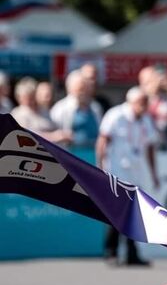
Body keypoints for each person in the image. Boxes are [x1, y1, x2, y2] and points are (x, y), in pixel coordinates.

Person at [96, 86, 160, 266]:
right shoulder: (116, 116)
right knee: (116, 213)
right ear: (131, 102)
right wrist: (100, 168)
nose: (144, 106)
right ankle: (111, 252)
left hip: (136, 172)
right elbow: (102, 141)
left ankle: (132, 253)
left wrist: (154, 174)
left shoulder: (146, 120)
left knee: (134, 214)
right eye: (141, 103)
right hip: (117, 171)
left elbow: (150, 148)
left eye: (145, 103)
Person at [50, 70, 103, 148]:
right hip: (69, 154)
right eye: (80, 89)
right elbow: (54, 132)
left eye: (85, 88)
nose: (83, 92)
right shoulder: (60, 108)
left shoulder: (95, 107)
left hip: (92, 155)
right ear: (70, 88)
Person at [11, 77, 71, 144]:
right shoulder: (17, 114)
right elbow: (27, 136)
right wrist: (53, 137)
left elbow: (54, 127)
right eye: (26, 97)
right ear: (19, 97)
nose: (30, 100)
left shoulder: (43, 110)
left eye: (32, 96)